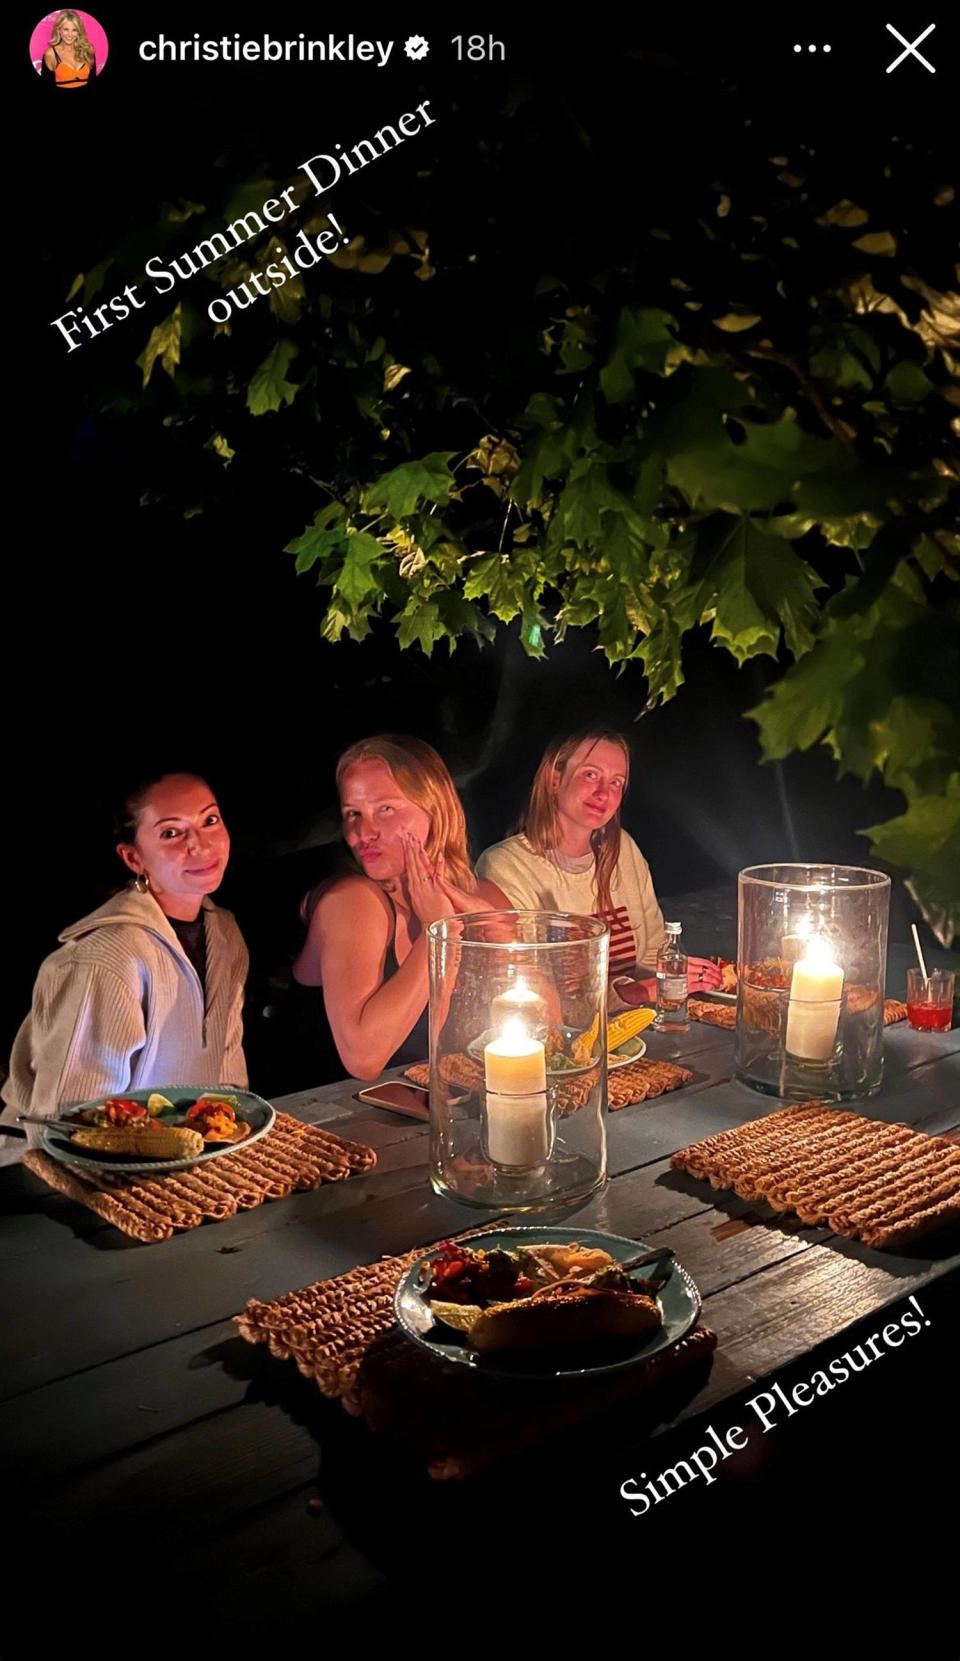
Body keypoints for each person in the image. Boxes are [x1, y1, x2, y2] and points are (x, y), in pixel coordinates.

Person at [0, 772, 248, 1153]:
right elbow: (70, 1123)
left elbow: (228, 1081)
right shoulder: (108, 957)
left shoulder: (225, 936)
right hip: (46, 1172)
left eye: (209, 820)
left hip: (177, 1159)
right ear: (133, 857)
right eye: (171, 833)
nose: (200, 845)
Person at [293, 735, 510, 1079]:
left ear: (435, 807)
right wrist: (437, 932)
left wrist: (508, 943)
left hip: (441, 1112)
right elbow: (364, 1058)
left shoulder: (484, 896)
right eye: (353, 814)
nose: (363, 832)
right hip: (330, 1120)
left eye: (386, 809)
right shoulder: (353, 902)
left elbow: (551, 1028)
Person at [476, 729, 721, 1001]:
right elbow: (530, 990)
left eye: (616, 782)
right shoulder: (506, 867)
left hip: (639, 1029)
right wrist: (633, 993)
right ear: (554, 779)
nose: (603, 793)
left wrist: (680, 975)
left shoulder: (623, 849)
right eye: (590, 774)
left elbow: (653, 952)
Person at [40, 11, 97, 87]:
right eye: (66, 29)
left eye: (74, 30)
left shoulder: (88, 49)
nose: (70, 35)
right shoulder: (51, 54)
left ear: (79, 32)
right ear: (59, 30)